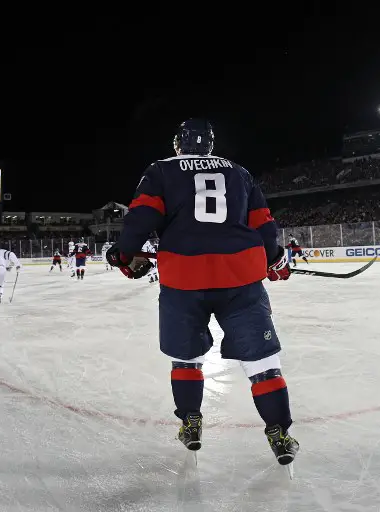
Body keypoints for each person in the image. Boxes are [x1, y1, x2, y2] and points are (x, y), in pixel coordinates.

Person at [106, 119, 298, 466]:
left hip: (184, 279)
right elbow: (263, 224)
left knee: (186, 356)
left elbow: (141, 217)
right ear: (210, 144)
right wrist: (274, 259)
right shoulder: (239, 172)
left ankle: (191, 422)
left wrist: (124, 252)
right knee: (263, 362)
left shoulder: (160, 170)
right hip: (240, 278)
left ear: (178, 144)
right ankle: (279, 432)